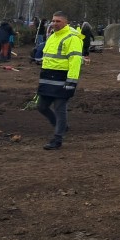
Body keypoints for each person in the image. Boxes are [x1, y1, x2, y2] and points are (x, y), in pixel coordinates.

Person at [36, 12, 84, 150]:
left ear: (65, 22)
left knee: (59, 109)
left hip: (62, 79)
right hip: (47, 78)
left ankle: (58, 139)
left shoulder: (72, 38)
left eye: (58, 21)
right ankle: (61, 125)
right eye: (53, 21)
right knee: (41, 107)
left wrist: (71, 81)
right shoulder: (52, 37)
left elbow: (75, 61)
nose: (54, 23)